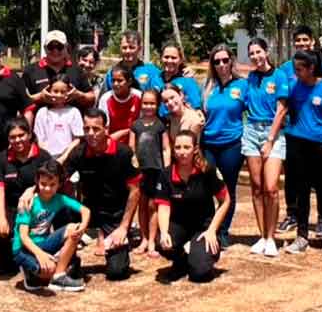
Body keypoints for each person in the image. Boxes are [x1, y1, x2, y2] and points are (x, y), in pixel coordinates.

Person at [61, 108, 141, 280]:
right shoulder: (79, 153)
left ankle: (119, 249)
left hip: (114, 212)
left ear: (106, 129)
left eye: (96, 129)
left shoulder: (123, 153)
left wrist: (123, 228)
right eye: (86, 129)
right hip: (87, 210)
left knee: (117, 272)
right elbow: (57, 179)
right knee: (62, 211)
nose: (91, 134)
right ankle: (70, 260)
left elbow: (135, 191)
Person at [282, 51, 322, 256]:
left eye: (299, 69)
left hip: (321, 146)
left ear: (311, 68)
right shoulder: (294, 87)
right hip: (297, 144)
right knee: (301, 192)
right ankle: (301, 236)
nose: (296, 72)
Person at [155, 131, 231, 283]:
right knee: (161, 242)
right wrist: (164, 233)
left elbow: (226, 200)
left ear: (195, 149)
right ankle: (181, 260)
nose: (182, 152)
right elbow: (163, 206)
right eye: (178, 147)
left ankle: (204, 256)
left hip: (203, 227)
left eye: (186, 147)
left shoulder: (207, 170)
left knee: (199, 273)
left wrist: (212, 230)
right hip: (179, 224)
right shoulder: (166, 174)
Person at [14, 161, 91, 292]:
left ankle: (58, 277)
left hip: (44, 243)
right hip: (23, 248)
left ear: (59, 184)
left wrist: (82, 228)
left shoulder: (59, 199)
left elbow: (85, 211)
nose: (47, 189)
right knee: (47, 271)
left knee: (73, 228)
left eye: (52, 184)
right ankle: (31, 271)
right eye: (43, 184)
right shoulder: (27, 203)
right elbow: (23, 237)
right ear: (37, 182)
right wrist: (41, 255)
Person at [0, 117, 55, 276]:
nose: (17, 140)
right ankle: (7, 259)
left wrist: (32, 190)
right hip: (12, 208)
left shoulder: (43, 157)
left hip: (37, 206)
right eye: (13, 137)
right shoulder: (1, 159)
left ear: (29, 135)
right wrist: (0, 217)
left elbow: (51, 184)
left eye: (21, 135)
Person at [243, 38, 288, 257]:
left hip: (273, 133)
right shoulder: (251, 78)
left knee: (271, 188)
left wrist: (270, 140)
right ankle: (262, 236)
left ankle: (272, 237)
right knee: (256, 186)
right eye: (251, 53)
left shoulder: (279, 76)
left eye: (258, 52)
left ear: (266, 51)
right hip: (251, 131)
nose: (255, 57)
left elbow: (282, 110)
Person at [201, 44, 247, 248]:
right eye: (216, 61)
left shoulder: (242, 86)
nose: (221, 65)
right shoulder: (207, 86)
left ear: (231, 62)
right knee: (207, 187)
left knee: (228, 188)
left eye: (225, 60)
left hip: (232, 145)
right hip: (209, 144)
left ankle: (223, 231)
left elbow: (254, 111)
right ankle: (208, 227)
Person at [277, 25, 319, 234]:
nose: (302, 43)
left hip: (318, 130)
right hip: (293, 130)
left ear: (312, 41)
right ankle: (292, 214)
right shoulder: (286, 68)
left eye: (305, 40)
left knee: (320, 179)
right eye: (298, 41)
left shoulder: (321, 66)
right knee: (293, 176)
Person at [130, 89, 171, 256]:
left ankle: (153, 241)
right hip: (141, 171)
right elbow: (131, 148)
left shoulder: (160, 125)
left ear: (158, 105)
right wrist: (134, 164)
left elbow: (166, 148)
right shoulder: (136, 125)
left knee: (153, 206)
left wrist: (167, 169)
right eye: (145, 103)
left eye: (152, 103)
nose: (148, 106)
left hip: (157, 171)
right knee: (141, 205)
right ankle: (144, 238)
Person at [23, 30, 96, 112]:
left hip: (72, 122)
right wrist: (40, 97)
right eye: (51, 47)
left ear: (66, 47)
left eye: (59, 47)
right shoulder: (30, 71)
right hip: (41, 122)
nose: (55, 51)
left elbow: (92, 98)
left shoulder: (77, 70)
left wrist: (79, 95)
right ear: (45, 48)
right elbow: (20, 101)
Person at [33, 74, 84, 159]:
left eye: (63, 91)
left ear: (69, 91)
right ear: (49, 91)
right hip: (47, 158)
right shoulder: (42, 112)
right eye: (55, 91)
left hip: (68, 157)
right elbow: (39, 139)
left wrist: (64, 156)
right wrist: (48, 156)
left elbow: (77, 139)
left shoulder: (74, 112)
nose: (59, 95)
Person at [98, 64, 142, 145]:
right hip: (112, 143)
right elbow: (104, 128)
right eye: (113, 80)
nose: (115, 84)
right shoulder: (105, 99)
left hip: (135, 142)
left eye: (119, 80)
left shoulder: (139, 96)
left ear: (129, 82)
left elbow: (143, 125)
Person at [159, 42, 202, 112]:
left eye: (174, 58)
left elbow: (196, 110)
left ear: (181, 60)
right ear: (161, 58)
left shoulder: (188, 81)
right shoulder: (155, 78)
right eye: (166, 57)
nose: (169, 61)